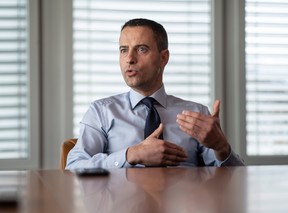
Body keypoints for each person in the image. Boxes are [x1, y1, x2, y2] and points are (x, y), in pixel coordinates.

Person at [66, 18, 244, 169]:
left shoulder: (196, 115)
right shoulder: (101, 112)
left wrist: (222, 147)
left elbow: (236, 180)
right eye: (123, 50)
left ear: (163, 58)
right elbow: (73, 167)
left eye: (141, 49)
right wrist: (131, 155)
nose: (129, 59)